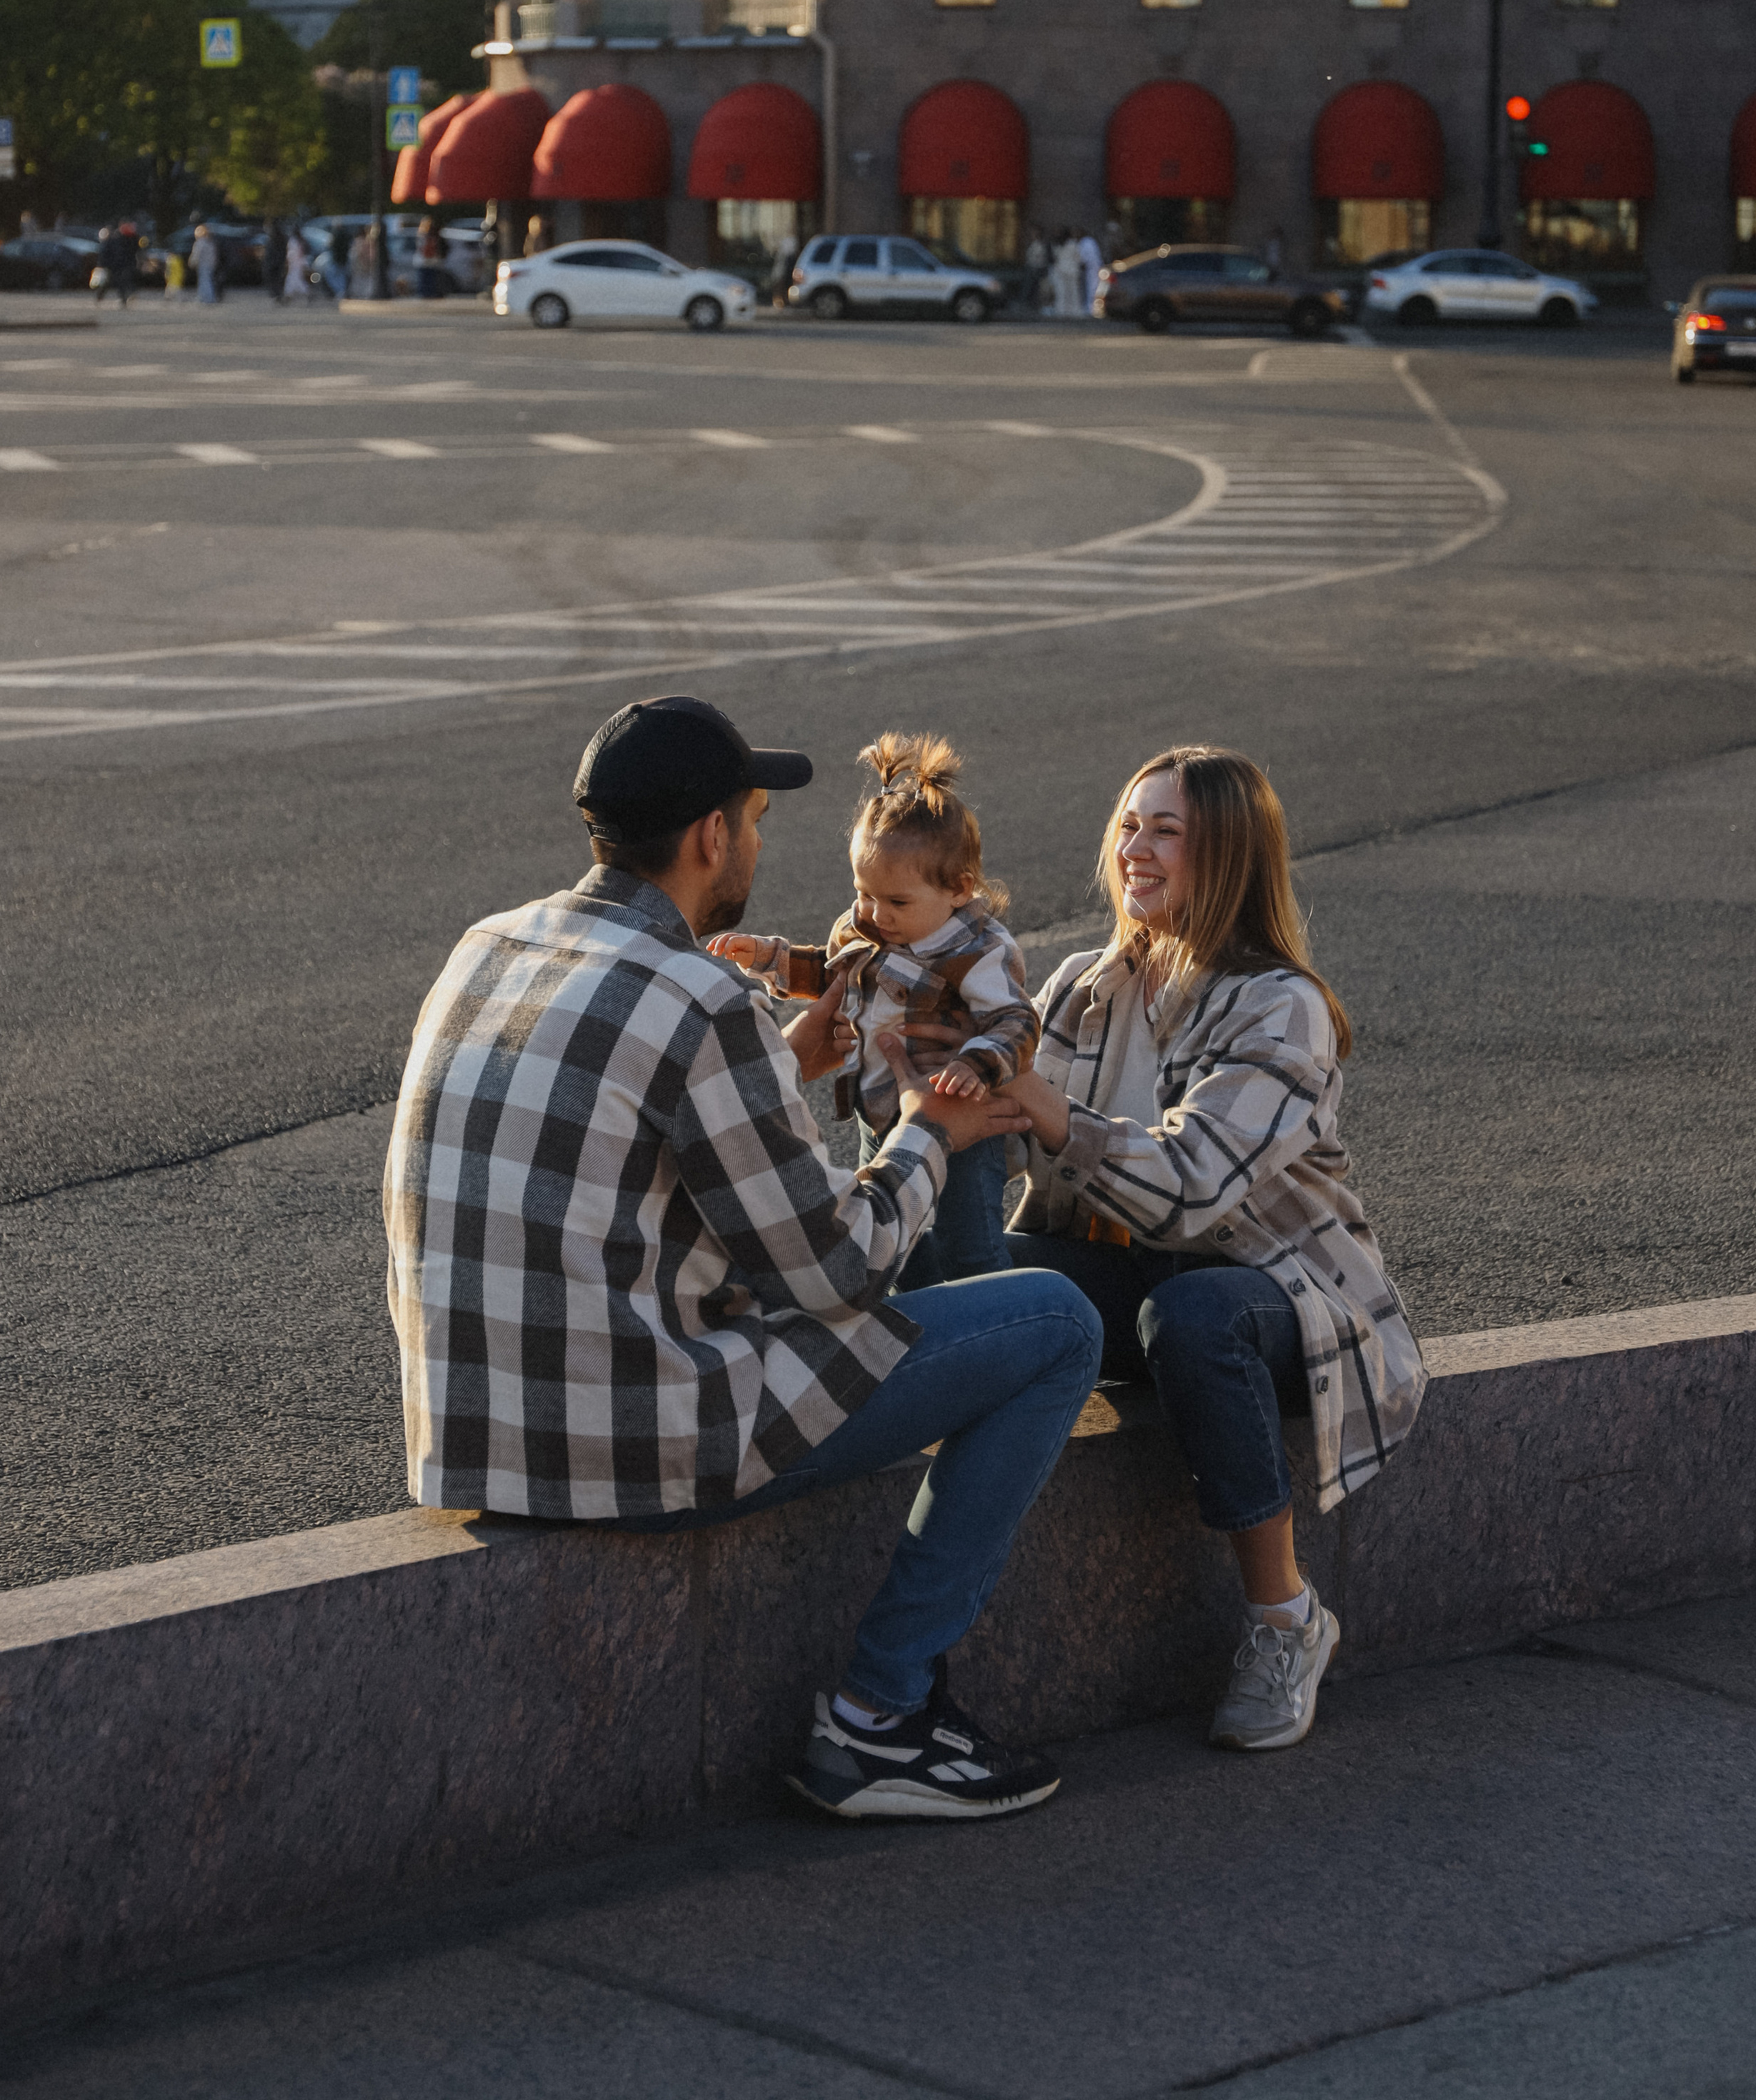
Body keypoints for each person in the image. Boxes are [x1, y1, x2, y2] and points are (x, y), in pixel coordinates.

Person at [383, 695, 1103, 1823]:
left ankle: (890, 1716)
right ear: (713, 837)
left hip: (471, 1445)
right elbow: (838, 1270)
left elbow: (621, 1136)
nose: (761, 845)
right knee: (1054, 1322)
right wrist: (931, 1132)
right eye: (757, 819)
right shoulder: (699, 997)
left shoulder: (489, 943)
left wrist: (781, 1054)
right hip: (635, 1452)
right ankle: (883, 1718)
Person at [997, 745, 1427, 1756]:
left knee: (1191, 1314)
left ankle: (1285, 1620)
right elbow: (1008, 1140)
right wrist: (891, 1056)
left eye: (1166, 831)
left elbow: (1191, 1191)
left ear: (1228, 853)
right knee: (974, 1281)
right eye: (1127, 825)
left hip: (1283, 1301)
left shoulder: (1282, 1006)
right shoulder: (1082, 985)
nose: (1134, 849)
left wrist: (1050, 1115)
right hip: (1133, 1276)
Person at [709, 731, 1037, 1290]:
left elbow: (1019, 1023)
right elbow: (834, 972)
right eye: (864, 891)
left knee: (970, 1249)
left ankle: (1000, 1328)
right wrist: (769, 958)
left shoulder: (977, 951)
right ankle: (912, 1328)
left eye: (897, 902)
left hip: (960, 1121)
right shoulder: (867, 924)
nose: (874, 913)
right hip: (876, 1111)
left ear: (959, 889)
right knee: (886, 1239)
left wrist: (975, 1063)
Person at [96, 219, 138, 310]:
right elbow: (106, 253)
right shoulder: (115, 239)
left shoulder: (127, 239)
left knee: (122, 282)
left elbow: (132, 251)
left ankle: (123, 299)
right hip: (114, 265)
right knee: (110, 282)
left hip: (121, 265)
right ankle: (100, 296)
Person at [1049, 227, 1082, 317]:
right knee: (1072, 292)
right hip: (1071, 271)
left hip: (1061, 270)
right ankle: (1074, 311)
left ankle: (1061, 310)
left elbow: (1055, 258)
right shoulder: (1073, 244)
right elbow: (1078, 258)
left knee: (1061, 292)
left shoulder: (1057, 245)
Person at [414, 217, 447, 300]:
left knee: (427, 280)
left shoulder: (422, 236)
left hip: (426, 262)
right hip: (430, 262)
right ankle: (429, 294)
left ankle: (427, 294)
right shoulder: (432, 237)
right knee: (429, 280)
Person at [1076, 225, 1103, 314]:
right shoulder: (1090, 241)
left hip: (1092, 269)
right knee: (1093, 288)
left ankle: (1091, 310)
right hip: (1094, 269)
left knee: (1092, 289)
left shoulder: (1085, 242)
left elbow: (1084, 258)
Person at [191, 222, 221, 304]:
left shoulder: (200, 243)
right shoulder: (210, 243)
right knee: (209, 281)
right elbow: (214, 255)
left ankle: (205, 298)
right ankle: (209, 297)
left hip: (203, 264)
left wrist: (193, 262)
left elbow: (196, 254)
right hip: (210, 265)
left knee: (204, 281)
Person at [283, 225, 312, 300]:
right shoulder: (300, 240)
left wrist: (288, 260)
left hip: (295, 263)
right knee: (296, 279)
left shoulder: (293, 241)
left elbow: (292, 253)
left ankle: (289, 295)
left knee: (293, 279)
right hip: (299, 262)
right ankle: (289, 295)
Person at [262, 217, 286, 307]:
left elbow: (275, 252)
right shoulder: (277, 237)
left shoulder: (275, 238)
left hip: (274, 263)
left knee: (274, 280)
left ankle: (277, 296)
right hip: (276, 262)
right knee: (276, 281)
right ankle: (277, 296)